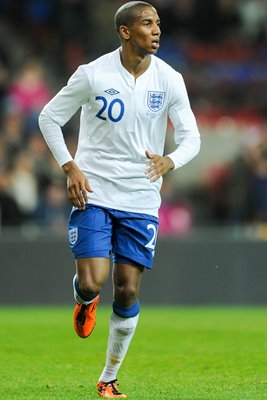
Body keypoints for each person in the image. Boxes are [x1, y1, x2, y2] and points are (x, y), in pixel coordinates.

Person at [39, 1, 200, 398]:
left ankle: (108, 378)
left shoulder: (170, 79)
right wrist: (70, 166)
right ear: (125, 31)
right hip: (93, 191)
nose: (157, 30)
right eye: (147, 23)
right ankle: (84, 298)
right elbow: (48, 117)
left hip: (141, 198)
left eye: (158, 23)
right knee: (95, 283)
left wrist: (171, 160)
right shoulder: (93, 75)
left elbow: (191, 137)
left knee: (127, 290)